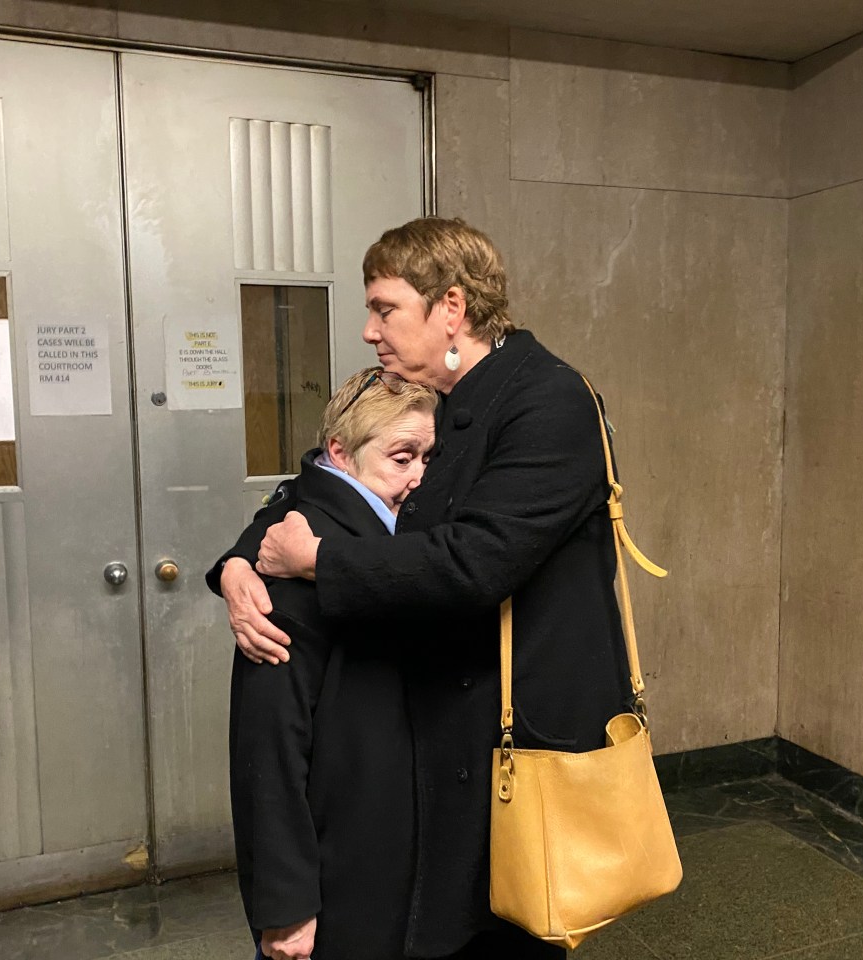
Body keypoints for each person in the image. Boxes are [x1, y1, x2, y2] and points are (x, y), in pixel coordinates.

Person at [213, 217, 636, 960]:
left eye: (384, 309)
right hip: (438, 753)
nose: (370, 331)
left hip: (517, 756)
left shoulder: (549, 401)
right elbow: (328, 480)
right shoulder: (436, 398)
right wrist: (243, 562)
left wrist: (317, 563)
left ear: (450, 308)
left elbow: (476, 562)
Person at [228, 366, 437, 960]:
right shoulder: (293, 562)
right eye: (402, 458)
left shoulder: (394, 536)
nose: (419, 475)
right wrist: (285, 906)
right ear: (340, 454)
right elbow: (267, 745)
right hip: (338, 866)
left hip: (393, 849)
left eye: (427, 456)